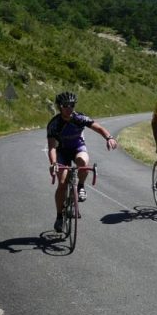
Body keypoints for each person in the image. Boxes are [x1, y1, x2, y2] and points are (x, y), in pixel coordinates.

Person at [47, 91, 117, 232]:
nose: (69, 108)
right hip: (62, 152)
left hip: (77, 147)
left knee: (82, 162)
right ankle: (59, 216)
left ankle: (80, 187)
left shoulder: (79, 118)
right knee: (62, 183)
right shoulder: (54, 124)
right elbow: (52, 147)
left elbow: (98, 127)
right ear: (60, 107)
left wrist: (109, 137)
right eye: (66, 105)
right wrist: (54, 163)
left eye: (72, 105)